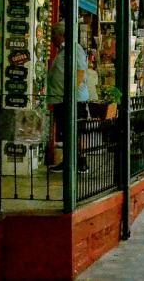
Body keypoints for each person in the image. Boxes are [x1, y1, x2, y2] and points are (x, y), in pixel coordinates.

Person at [47, 22, 88, 174]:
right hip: (61, 99)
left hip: (72, 100)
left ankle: (81, 162)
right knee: (66, 132)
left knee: (75, 131)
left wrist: (70, 94)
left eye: (53, 35)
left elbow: (80, 71)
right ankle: (69, 162)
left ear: (61, 35)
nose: (52, 39)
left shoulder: (74, 48)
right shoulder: (62, 51)